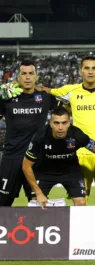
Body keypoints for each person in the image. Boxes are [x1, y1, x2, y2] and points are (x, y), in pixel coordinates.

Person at [32, 56, 95, 205]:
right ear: (81, 71)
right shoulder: (70, 91)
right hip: (79, 153)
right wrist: (17, 84)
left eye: (94, 68)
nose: (90, 72)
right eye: (87, 68)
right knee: (80, 200)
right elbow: (46, 91)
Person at [22, 107, 95, 209]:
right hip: (44, 172)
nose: (60, 127)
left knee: (81, 203)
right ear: (50, 123)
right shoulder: (40, 137)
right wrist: (38, 193)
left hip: (70, 172)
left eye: (64, 123)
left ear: (69, 123)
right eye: (56, 123)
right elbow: (26, 166)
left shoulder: (76, 134)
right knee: (36, 204)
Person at [0, 61, 58, 206]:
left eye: (30, 73)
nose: (27, 77)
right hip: (11, 158)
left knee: (37, 204)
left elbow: (67, 110)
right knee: (2, 202)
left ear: (36, 77)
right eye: (23, 73)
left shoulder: (45, 98)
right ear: (17, 77)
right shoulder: (7, 98)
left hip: (35, 159)